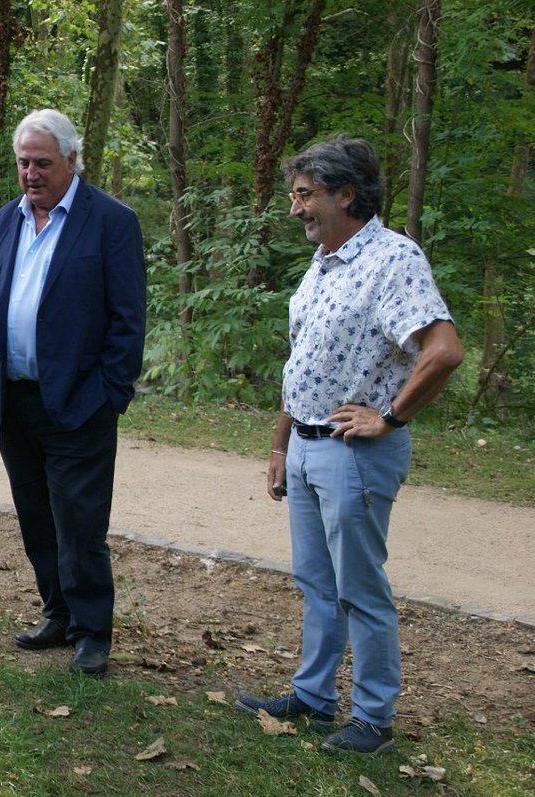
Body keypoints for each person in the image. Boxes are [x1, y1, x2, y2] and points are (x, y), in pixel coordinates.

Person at [234, 135, 463, 755]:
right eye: (294, 195)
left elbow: (443, 351)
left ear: (346, 195)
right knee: (316, 582)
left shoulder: (393, 259)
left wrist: (387, 417)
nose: (295, 209)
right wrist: (281, 445)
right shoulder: (325, 262)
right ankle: (312, 696)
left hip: (353, 453)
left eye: (305, 196)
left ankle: (373, 718)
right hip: (308, 447)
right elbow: (302, 361)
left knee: (360, 588)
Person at [0, 109, 146, 676]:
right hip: (14, 401)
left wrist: (109, 393)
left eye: (42, 163)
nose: (31, 174)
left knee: (80, 524)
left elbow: (127, 320)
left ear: (71, 160)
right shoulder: (5, 221)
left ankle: (92, 631)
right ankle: (57, 614)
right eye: (23, 163)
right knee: (36, 516)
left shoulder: (111, 221)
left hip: (79, 404)